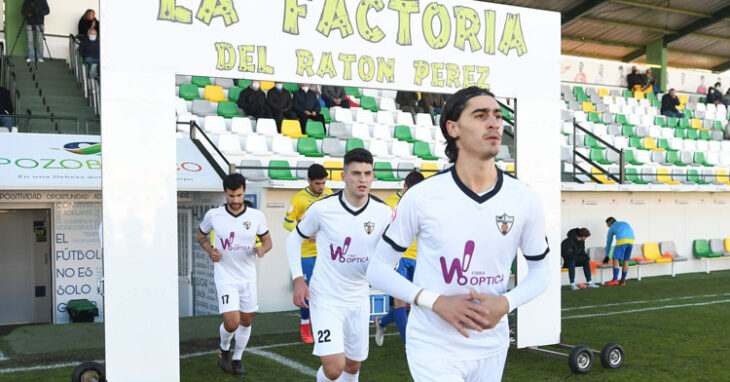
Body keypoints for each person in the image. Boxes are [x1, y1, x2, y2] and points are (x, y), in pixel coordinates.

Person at [368, 87, 551, 381]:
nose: (493, 123)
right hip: (433, 345)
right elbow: (377, 269)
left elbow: (542, 272)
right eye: (480, 115)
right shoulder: (422, 196)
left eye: (497, 116)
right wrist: (435, 301)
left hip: (491, 345)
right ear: (453, 128)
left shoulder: (524, 198)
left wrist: (506, 303)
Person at [286, 148, 392, 382]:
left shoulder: (384, 213)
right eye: (356, 173)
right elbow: (294, 238)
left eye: (367, 173)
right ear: (344, 176)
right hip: (326, 298)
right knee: (334, 368)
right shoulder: (323, 209)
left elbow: (392, 249)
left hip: (358, 298)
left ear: (373, 175)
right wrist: (298, 279)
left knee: (353, 366)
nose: (362, 179)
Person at [196, 173, 273, 376]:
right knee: (232, 321)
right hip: (225, 276)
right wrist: (209, 250)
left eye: (239, 195)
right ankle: (224, 347)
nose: (236, 200)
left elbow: (267, 241)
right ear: (225, 194)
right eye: (231, 196)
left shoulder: (256, 216)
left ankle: (238, 358)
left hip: (248, 276)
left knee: (246, 320)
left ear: (244, 192)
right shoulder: (214, 215)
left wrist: (262, 249)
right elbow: (200, 235)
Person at [282, 164, 333, 344]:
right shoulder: (298, 200)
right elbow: (286, 224)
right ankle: (305, 324)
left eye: (323, 183)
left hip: (326, 253)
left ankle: (323, 324)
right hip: (306, 254)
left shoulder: (329, 193)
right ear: (309, 181)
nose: (321, 187)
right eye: (318, 183)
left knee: (326, 290)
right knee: (307, 291)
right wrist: (304, 232)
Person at [374, 170, 425, 347]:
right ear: (404, 187)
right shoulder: (389, 205)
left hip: (418, 258)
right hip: (397, 259)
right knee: (400, 301)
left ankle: (382, 323)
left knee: (417, 302)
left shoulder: (422, 203)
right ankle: (408, 345)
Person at [604, 217, 634, 286]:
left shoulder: (612, 227)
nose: (608, 226)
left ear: (609, 223)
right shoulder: (624, 223)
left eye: (607, 225)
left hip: (622, 240)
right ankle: (623, 281)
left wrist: (607, 255)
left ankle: (615, 280)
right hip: (631, 241)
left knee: (615, 258)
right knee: (626, 260)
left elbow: (609, 242)